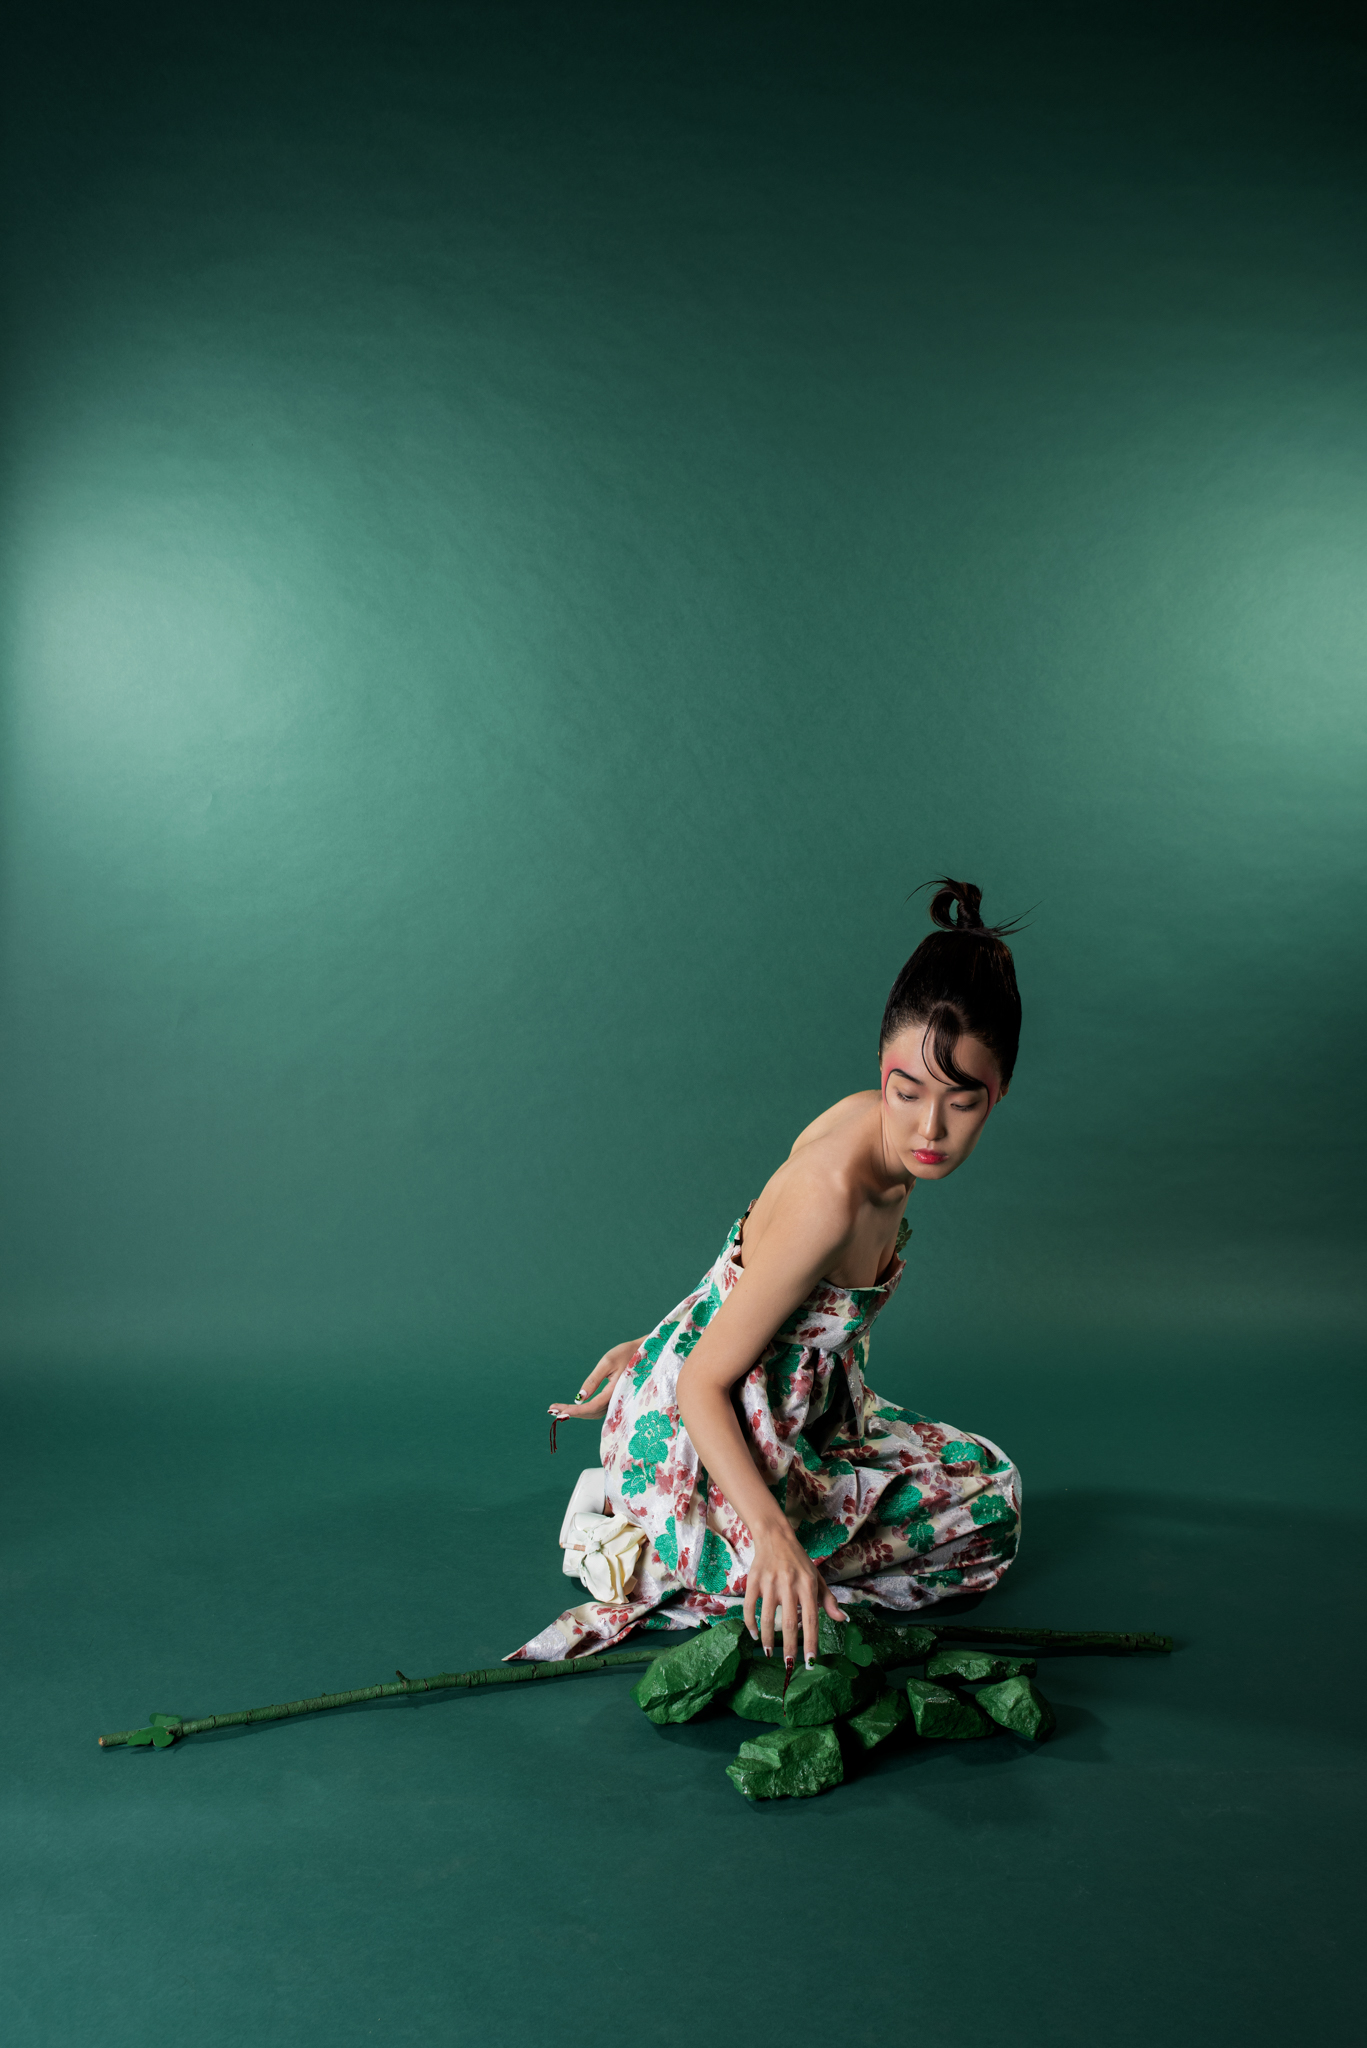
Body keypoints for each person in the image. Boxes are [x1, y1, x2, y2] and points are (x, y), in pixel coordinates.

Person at [509, 879, 1024, 1682]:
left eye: (961, 1102)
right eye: (907, 1092)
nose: (929, 1128)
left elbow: (748, 1274)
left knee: (989, 1477)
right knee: (976, 1526)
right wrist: (776, 1540)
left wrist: (654, 1341)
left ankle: (711, 1534)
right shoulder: (834, 1195)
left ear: (997, 1094)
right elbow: (703, 1382)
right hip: (712, 1427)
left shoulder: (879, 1135)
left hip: (801, 1412)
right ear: (881, 1069)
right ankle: (637, 1535)